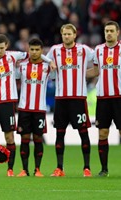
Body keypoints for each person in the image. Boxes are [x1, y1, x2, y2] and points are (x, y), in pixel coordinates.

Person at [0, 34, 54, 177]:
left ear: (6, 46)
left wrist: (49, 61)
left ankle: (10, 169)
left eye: (1, 48)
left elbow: (34, 54)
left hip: (8, 103)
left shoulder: (13, 56)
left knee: (9, 137)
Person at [47, 23, 94, 177]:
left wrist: (85, 74)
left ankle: (87, 168)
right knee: (60, 133)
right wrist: (50, 63)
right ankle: (59, 168)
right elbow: (44, 64)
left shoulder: (84, 50)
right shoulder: (54, 50)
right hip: (61, 99)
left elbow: (99, 61)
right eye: (64, 34)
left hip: (78, 98)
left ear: (75, 35)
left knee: (83, 132)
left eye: (69, 34)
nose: (66, 36)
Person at [15, 38, 55, 177]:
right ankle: (24, 170)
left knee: (38, 138)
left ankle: (37, 169)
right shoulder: (22, 66)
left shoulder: (47, 67)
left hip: (39, 109)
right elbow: (13, 75)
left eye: (37, 49)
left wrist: (49, 61)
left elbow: (56, 74)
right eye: (32, 49)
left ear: (42, 51)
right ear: (28, 50)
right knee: (24, 138)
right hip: (24, 109)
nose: (34, 52)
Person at [90, 20, 121, 177]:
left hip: (119, 97)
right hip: (103, 98)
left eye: (111, 31)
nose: (108, 33)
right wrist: (70, 72)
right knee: (102, 133)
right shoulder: (98, 50)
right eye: (106, 31)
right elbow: (95, 72)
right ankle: (104, 169)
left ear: (117, 33)